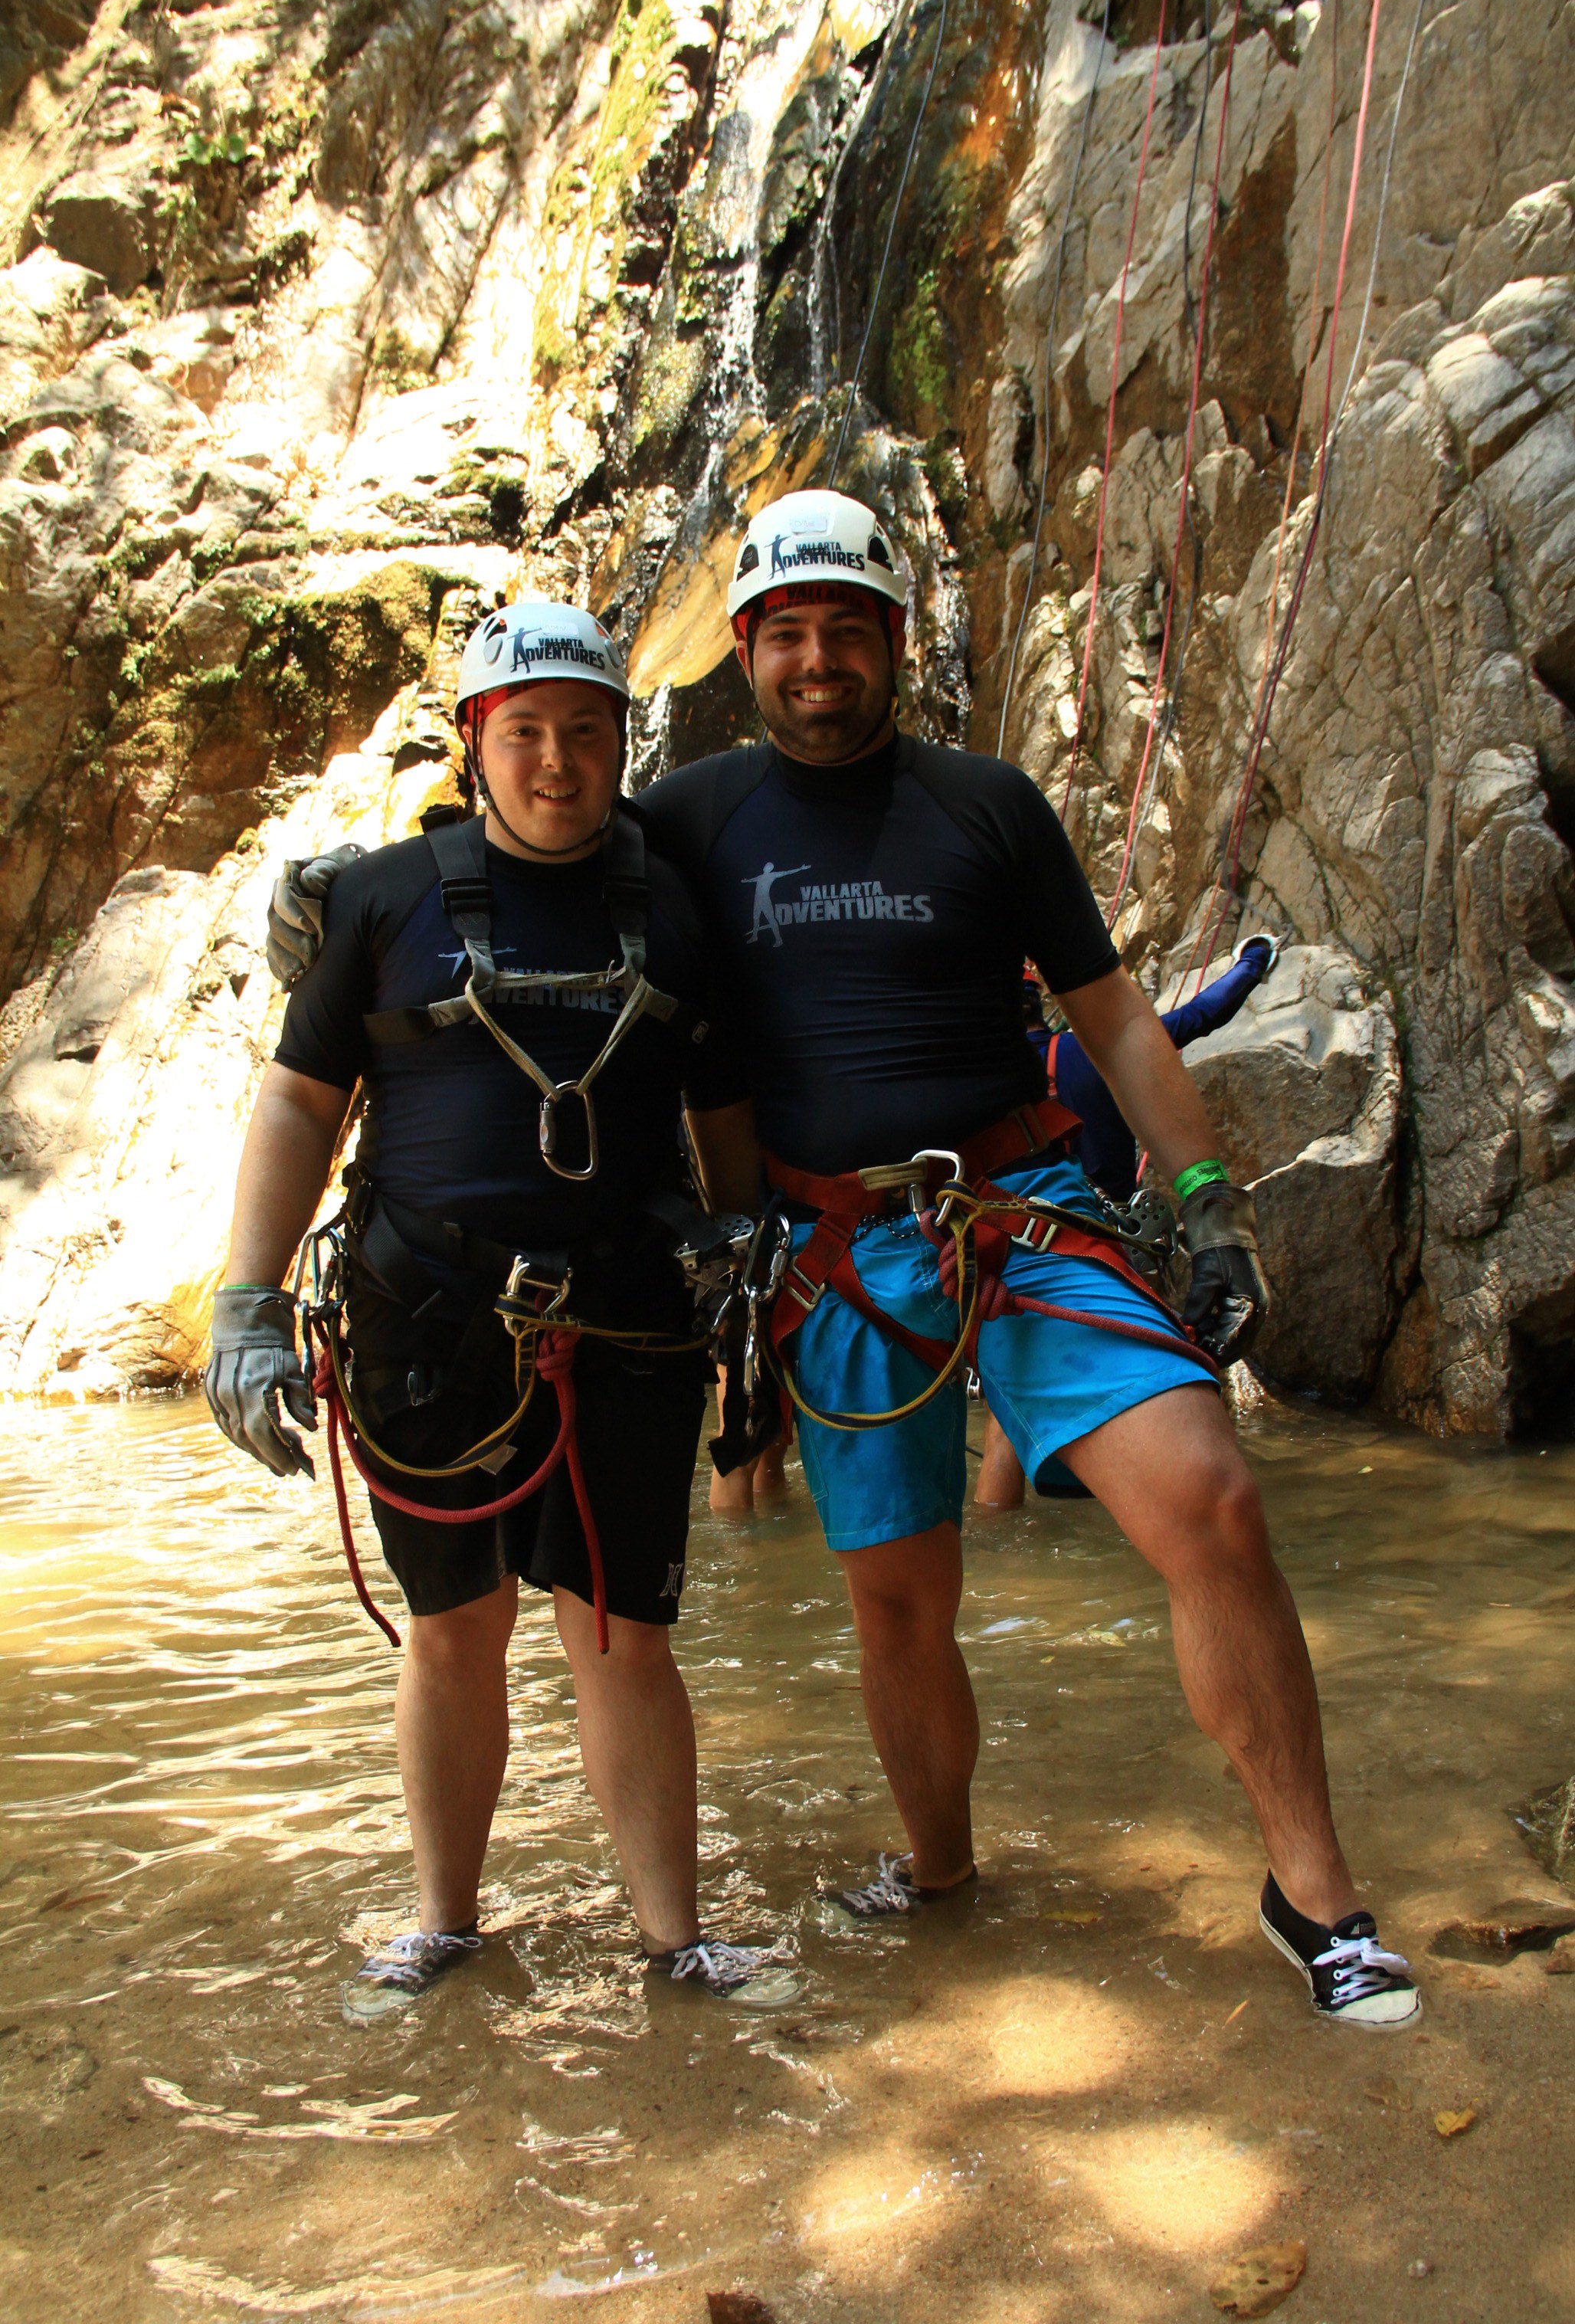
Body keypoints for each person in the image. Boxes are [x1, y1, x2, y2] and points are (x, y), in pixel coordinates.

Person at [275, 497, 1419, 2031]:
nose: (817, 659)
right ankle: (939, 1872)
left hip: (1020, 1207)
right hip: (827, 1247)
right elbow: (531, 847)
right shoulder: (687, 820)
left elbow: (1113, 1015)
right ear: (746, 649)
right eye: (788, 633)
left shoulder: (988, 804)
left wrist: (1207, 1195)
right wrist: (351, 889)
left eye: (846, 630)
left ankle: (1316, 1897)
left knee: (1211, 1499)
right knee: (897, 1600)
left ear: (896, 641)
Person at [208, 599, 792, 2022]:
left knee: (623, 1633)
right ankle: (445, 1924)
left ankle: (675, 1939)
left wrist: (750, 1293)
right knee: (451, 1625)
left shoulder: (677, 911)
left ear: (621, 744)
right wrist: (247, 1300)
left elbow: (724, 1119)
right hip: (425, 1321)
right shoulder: (378, 902)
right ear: (475, 742)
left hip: (631, 1321)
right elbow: (298, 1102)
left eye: (586, 731)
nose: (556, 761)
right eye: (523, 731)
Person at [976, 937, 1280, 1510]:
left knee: (1006, 1402)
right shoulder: (1090, 1052)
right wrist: (1253, 961)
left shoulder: (982, 1086)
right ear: (1040, 1004)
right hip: (1114, 1249)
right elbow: (1202, 1015)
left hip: (1016, 1246)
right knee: (1165, 1387)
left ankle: (997, 1527)